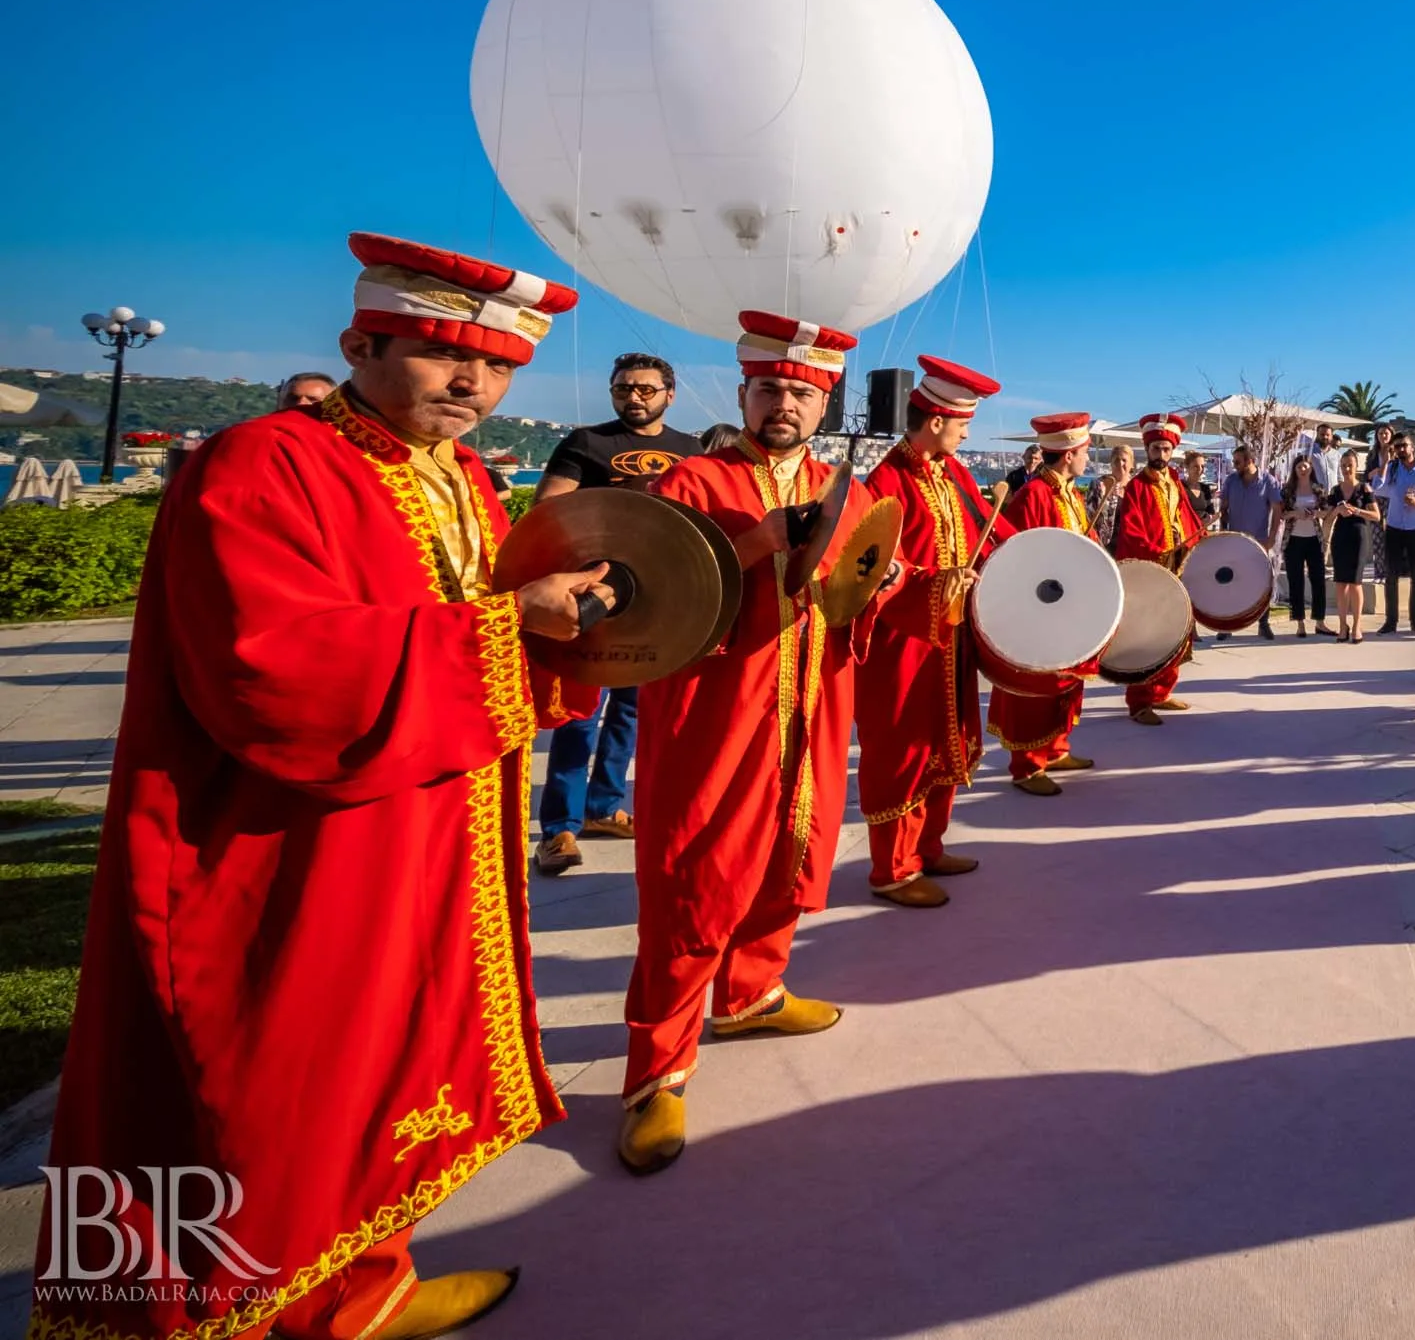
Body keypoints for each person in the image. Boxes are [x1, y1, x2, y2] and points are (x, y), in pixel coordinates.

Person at [39, 234, 608, 1340]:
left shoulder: (463, 479)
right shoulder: (260, 462)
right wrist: (508, 628)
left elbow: (492, 627)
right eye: (445, 354)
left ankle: (356, 1287)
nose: (473, 384)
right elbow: (269, 667)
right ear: (359, 344)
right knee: (272, 1085)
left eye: (498, 366)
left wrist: (573, 622)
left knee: (376, 1066)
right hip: (287, 838)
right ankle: (231, 1315)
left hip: (420, 822)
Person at [617, 313, 894, 1176]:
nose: (785, 404)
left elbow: (855, 590)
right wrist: (758, 542)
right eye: (770, 388)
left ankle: (751, 993)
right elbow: (651, 590)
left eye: (803, 394)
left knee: (790, 855)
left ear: (824, 405)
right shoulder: (693, 480)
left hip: (811, 706)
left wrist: (890, 582)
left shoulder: (840, 486)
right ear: (742, 394)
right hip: (715, 716)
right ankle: (656, 1073)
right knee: (695, 881)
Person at [529, 351, 687, 877]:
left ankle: (604, 807)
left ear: (669, 394)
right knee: (581, 712)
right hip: (592, 593)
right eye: (623, 388)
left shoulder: (690, 450)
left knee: (631, 710)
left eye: (645, 389)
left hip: (656, 597)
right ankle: (559, 827)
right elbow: (548, 510)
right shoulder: (586, 442)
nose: (634, 397)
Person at [856, 354, 1003, 908]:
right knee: (902, 750)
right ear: (936, 420)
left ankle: (928, 847)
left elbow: (990, 532)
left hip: (948, 639)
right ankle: (892, 870)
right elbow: (873, 568)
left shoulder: (954, 474)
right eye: (963, 425)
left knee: (946, 742)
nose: (966, 436)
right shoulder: (886, 482)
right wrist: (936, 582)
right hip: (903, 644)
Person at [991, 413, 1101, 793]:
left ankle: (1056, 749)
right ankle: (1027, 767)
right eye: (1085, 452)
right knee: (1035, 689)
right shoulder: (1033, 495)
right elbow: (1018, 556)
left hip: (1067, 608)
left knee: (1065, 682)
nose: (1088, 459)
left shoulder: (1071, 494)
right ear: (1069, 455)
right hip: (1040, 612)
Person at [1113, 413, 1205, 718]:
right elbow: (1131, 532)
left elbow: (1188, 519)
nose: (1161, 455)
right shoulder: (1136, 487)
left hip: (1177, 570)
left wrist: (1200, 543)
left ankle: (1162, 691)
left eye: (1166, 449)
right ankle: (1139, 702)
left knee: (1174, 632)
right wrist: (1160, 553)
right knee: (1147, 636)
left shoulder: (1175, 483)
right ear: (1147, 449)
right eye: (1156, 449)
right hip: (1151, 571)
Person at [1217, 441, 1283, 640]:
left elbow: (1277, 510)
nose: (1234, 465)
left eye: (1238, 462)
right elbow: (1223, 509)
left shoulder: (1268, 481)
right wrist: (1222, 533)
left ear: (1250, 461)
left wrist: (1271, 538)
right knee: (1230, 584)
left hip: (1258, 542)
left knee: (1262, 585)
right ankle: (1226, 625)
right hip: (1234, 542)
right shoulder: (1231, 481)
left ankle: (1263, 624)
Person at [1374, 431, 1415, 635]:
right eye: (1397, 446)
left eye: (1404, 445)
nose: (1401, 449)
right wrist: (1385, 463)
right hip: (1394, 528)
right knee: (1390, 576)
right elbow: (1377, 488)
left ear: (1412, 447)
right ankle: (1390, 621)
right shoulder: (1392, 468)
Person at [1275, 449, 1332, 634]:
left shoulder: (1318, 489)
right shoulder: (1288, 490)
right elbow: (1281, 514)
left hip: (1314, 539)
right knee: (1295, 581)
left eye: (1305, 466)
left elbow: (1327, 512)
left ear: (1311, 468)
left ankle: (1320, 621)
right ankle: (1299, 623)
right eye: (1299, 467)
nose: (1302, 470)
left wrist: (1315, 513)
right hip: (1293, 540)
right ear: (1295, 469)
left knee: (1318, 580)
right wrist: (1296, 513)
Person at [1327, 450, 1380, 643]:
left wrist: (1357, 510)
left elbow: (1376, 516)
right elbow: (1327, 517)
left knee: (1355, 583)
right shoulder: (1335, 491)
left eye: (1350, 465)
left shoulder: (1364, 488)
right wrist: (1338, 510)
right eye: (1343, 465)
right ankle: (1343, 626)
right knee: (1341, 583)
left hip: (1359, 537)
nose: (1346, 469)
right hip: (1340, 538)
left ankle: (1357, 626)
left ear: (1357, 466)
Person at [1089, 439, 1135, 550]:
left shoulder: (1136, 488)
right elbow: (1089, 516)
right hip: (1103, 546)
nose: (1120, 463)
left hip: (1129, 546)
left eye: (1124, 460)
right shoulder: (1099, 485)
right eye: (1116, 460)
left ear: (1131, 464)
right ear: (1111, 463)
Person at [1181, 445, 1217, 525]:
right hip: (1186, 529)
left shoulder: (1205, 488)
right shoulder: (1180, 487)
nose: (1200, 469)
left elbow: (1211, 512)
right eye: (1196, 466)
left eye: (1202, 466)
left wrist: (1210, 518)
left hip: (1201, 529)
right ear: (1187, 467)